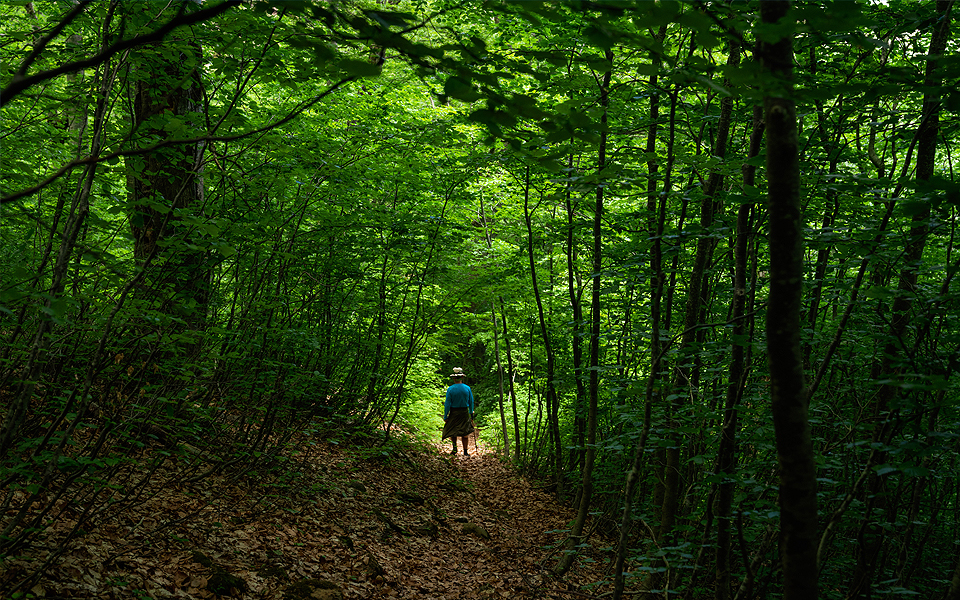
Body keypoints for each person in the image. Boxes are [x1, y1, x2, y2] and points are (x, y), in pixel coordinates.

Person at [442, 367, 475, 456]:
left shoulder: (450, 389)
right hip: (464, 412)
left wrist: (445, 416)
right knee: (465, 432)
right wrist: (471, 413)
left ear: (454, 378)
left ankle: (455, 449)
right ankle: (465, 452)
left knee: (453, 431)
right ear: (462, 377)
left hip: (454, 412)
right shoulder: (467, 388)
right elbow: (471, 401)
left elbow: (447, 404)